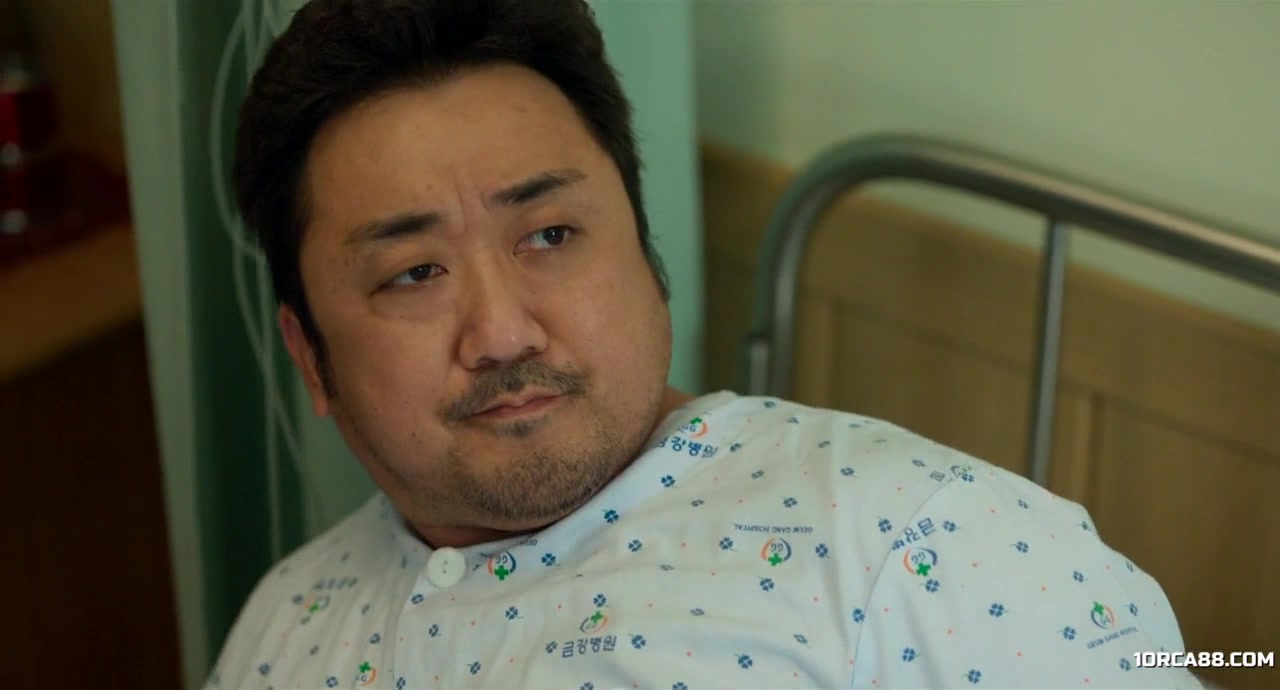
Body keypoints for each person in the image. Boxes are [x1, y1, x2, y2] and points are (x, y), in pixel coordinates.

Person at [207, 1, 1204, 688]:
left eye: (549, 236)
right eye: (415, 272)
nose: (503, 332)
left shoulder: (923, 553)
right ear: (309, 356)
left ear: (645, 253)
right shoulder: (284, 627)